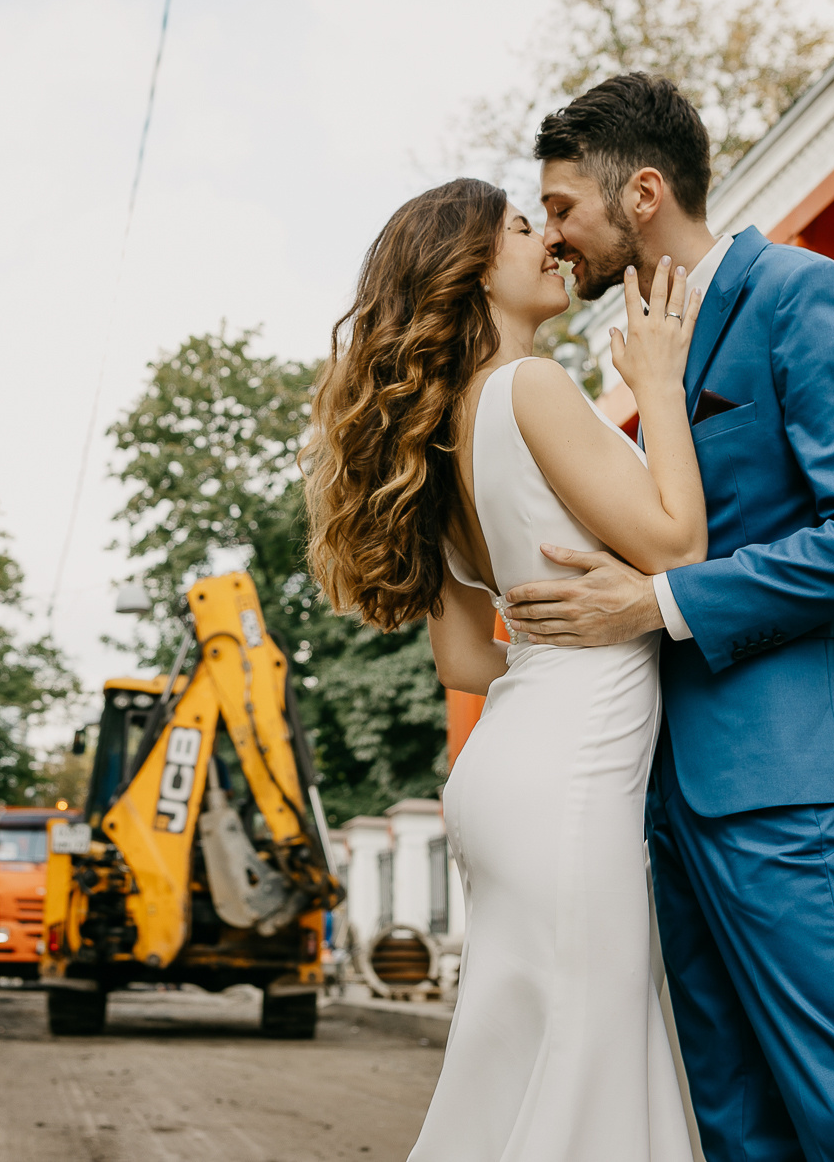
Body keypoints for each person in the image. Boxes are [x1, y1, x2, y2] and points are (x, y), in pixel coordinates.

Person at [502, 72, 834, 1162]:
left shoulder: (804, 295)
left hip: (784, 781)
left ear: (642, 193)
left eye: (561, 206)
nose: (550, 234)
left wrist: (659, 600)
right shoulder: (643, 356)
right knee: (736, 1126)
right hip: (670, 794)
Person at [305, 175, 707, 1158]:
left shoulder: (435, 434)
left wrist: (545, 645)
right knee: (588, 1063)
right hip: (569, 780)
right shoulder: (530, 386)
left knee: (525, 1064)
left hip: (503, 773)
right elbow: (678, 547)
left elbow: (460, 657)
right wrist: (658, 385)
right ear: (477, 267)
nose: (550, 243)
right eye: (525, 227)